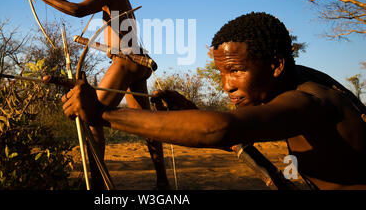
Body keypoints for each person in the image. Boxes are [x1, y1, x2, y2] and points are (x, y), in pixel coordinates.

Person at [62, 12, 366, 190]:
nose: (226, 86)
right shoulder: (295, 85)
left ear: (276, 65)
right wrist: (194, 114)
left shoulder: (309, 102)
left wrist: (105, 114)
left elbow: (220, 128)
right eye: (221, 72)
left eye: (235, 71)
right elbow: (233, 132)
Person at [22, 0, 169, 189]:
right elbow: (77, 7)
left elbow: (78, 10)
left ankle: (98, 184)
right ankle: (162, 181)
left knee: (91, 115)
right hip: (138, 61)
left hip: (127, 62)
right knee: (146, 123)